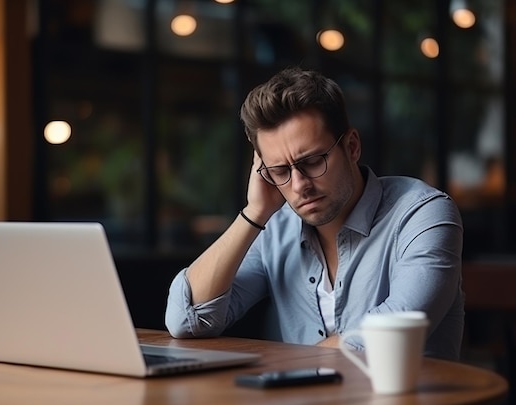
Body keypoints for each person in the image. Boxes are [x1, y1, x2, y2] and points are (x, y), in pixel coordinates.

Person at [164, 66, 465, 361]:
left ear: (352, 146)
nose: (299, 185)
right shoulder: (276, 227)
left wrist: (294, 362)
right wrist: (254, 212)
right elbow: (187, 321)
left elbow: (398, 329)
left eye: (312, 162)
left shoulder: (422, 214)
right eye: (280, 170)